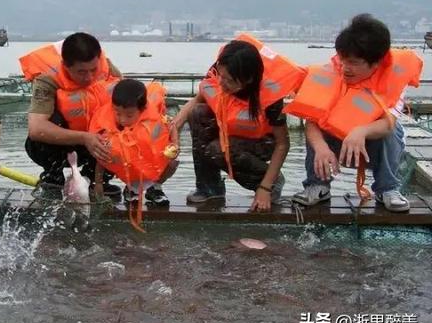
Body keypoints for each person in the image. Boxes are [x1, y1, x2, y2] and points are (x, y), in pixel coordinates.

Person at [286, 14, 422, 212]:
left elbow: (388, 123)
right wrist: (321, 147)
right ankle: (318, 185)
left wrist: (361, 131)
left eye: (354, 62)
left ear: (376, 63)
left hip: (371, 147)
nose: (345, 68)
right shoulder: (330, 74)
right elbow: (312, 121)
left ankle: (388, 189)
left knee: (392, 132)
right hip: (336, 146)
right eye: (342, 59)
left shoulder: (393, 81)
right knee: (318, 131)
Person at [172, 34, 306, 211]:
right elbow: (197, 100)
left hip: (262, 143)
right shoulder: (220, 71)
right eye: (221, 76)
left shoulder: (270, 98)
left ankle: (270, 181)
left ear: (248, 80)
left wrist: (265, 187)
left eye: (229, 80)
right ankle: (209, 188)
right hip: (229, 136)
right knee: (198, 113)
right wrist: (175, 125)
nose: (221, 82)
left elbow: (283, 144)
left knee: (216, 150)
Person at [19, 32, 123, 198]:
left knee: (123, 121)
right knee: (52, 122)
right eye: (81, 72)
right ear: (65, 66)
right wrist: (84, 137)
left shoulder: (108, 69)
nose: (89, 77)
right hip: (62, 146)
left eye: (93, 70)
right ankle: (54, 177)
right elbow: (36, 129)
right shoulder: (47, 79)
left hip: (97, 144)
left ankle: (96, 178)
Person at [89, 79, 179, 207]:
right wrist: (98, 184)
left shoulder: (154, 118)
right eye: (117, 113)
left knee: (172, 163)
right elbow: (101, 159)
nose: (122, 120)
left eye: (129, 116)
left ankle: (156, 188)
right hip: (128, 168)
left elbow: (171, 126)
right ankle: (131, 189)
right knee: (113, 152)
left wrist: (175, 144)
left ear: (142, 110)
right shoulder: (108, 128)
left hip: (152, 163)